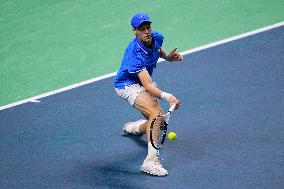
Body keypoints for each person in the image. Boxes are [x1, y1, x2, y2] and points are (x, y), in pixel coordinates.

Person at [114, 13, 183, 176]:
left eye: (148, 27)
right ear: (135, 31)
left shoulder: (156, 37)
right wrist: (168, 96)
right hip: (127, 84)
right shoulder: (135, 54)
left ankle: (134, 127)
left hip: (142, 81)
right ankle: (150, 162)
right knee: (155, 113)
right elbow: (148, 86)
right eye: (142, 29)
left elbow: (157, 49)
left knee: (157, 121)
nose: (147, 32)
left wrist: (167, 57)